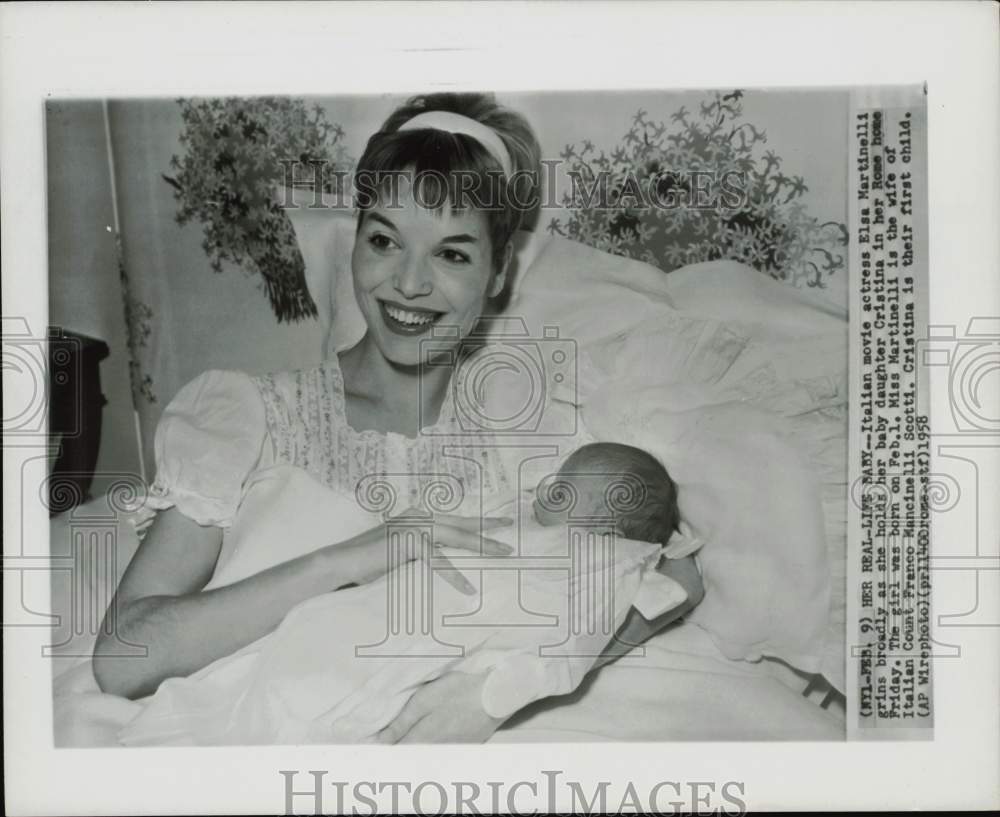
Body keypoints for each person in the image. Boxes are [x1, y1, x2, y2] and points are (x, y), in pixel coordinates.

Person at [93, 92, 700, 743]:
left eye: (452, 253)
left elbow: (673, 574)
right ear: (355, 242)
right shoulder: (247, 411)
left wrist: (505, 691)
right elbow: (122, 655)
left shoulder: (532, 423)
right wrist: (348, 559)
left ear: (498, 275)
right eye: (384, 239)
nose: (408, 283)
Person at [116, 440, 703, 746]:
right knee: (301, 645)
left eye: (568, 490)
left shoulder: (608, 561)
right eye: (553, 483)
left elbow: (568, 651)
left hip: (418, 653)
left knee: (321, 702)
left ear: (616, 524)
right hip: (361, 610)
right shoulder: (517, 521)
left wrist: (492, 698)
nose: (545, 495)